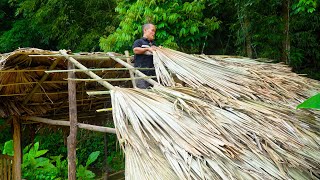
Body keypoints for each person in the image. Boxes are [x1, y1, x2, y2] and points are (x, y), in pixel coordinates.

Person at [132, 23, 157, 89]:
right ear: (145, 30)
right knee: (143, 92)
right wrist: (147, 48)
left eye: (154, 31)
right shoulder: (139, 42)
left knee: (154, 93)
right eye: (152, 30)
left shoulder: (153, 44)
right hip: (141, 73)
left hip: (152, 73)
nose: (153, 33)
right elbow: (135, 50)